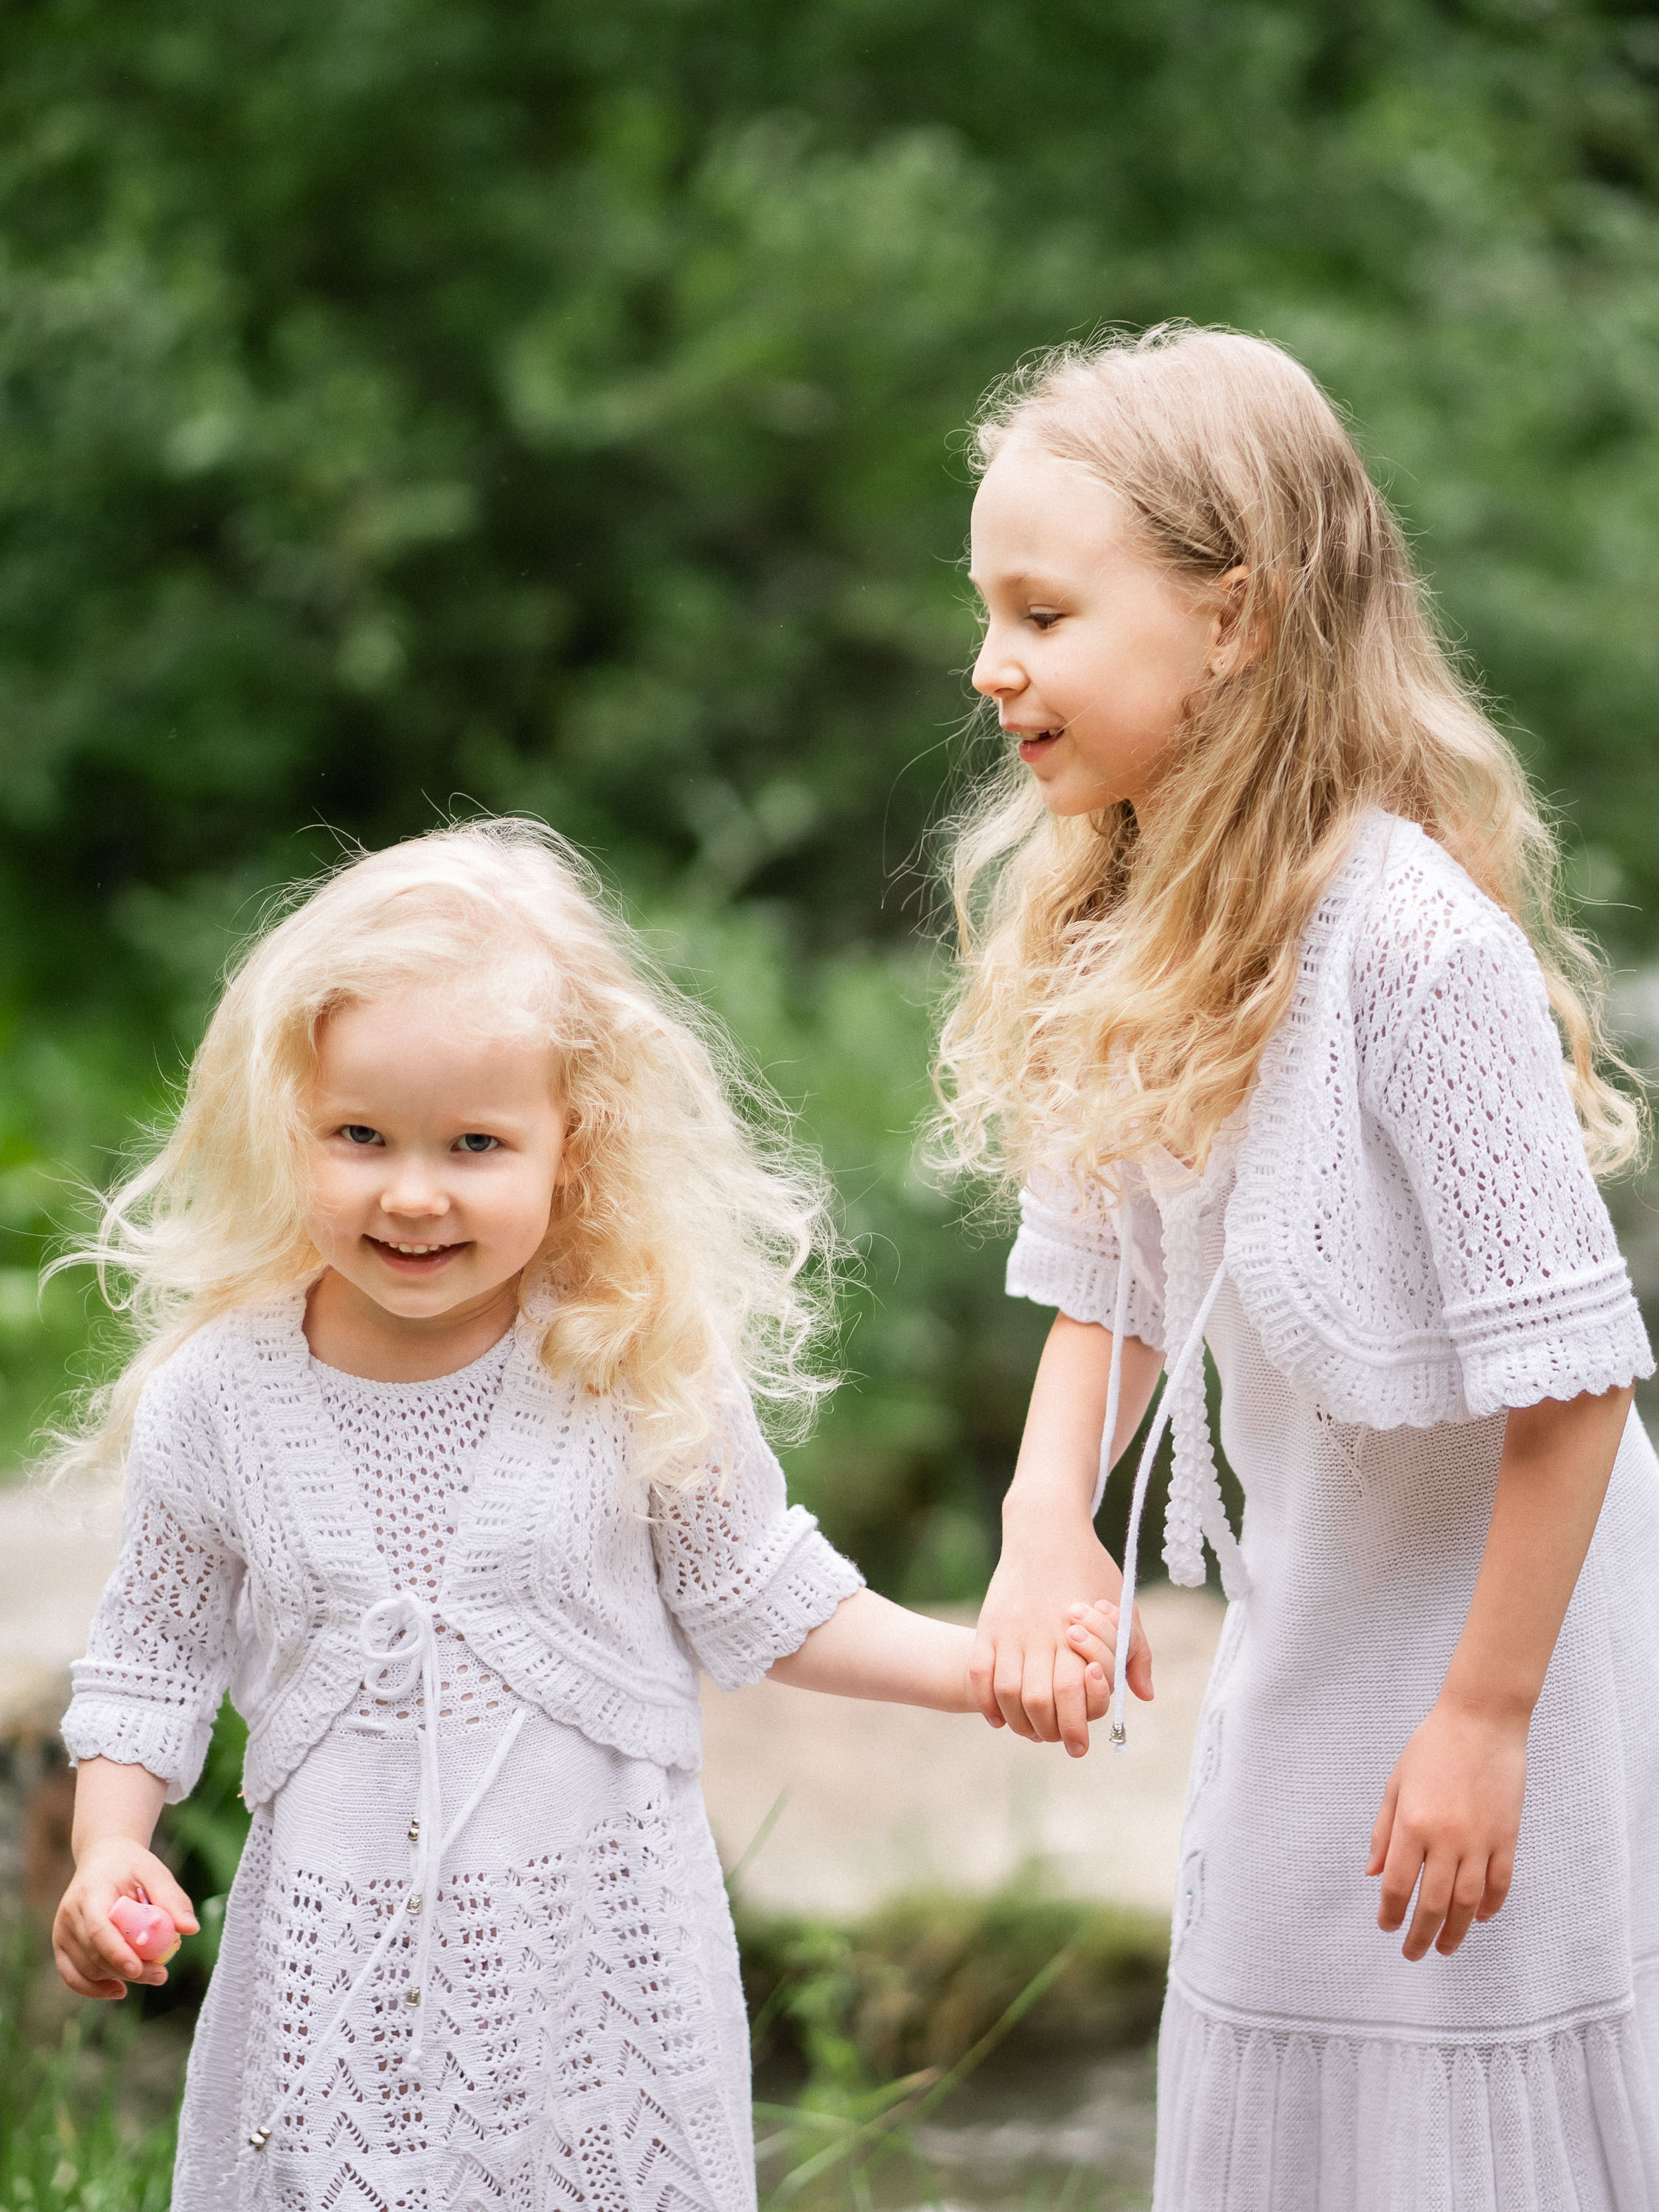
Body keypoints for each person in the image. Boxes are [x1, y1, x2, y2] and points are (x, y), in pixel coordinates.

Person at [51, 820, 1095, 2211]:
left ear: (572, 1146)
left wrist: (984, 1671)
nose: (412, 1191)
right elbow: (152, 1666)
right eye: (359, 1136)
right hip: (335, 1977)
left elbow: (764, 1595)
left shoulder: (623, 1358)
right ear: (287, 1124)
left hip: (597, 1976)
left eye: (475, 1144)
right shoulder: (221, 1398)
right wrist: (109, 1846)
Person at [935, 325, 1659, 2207]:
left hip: (1514, 1625)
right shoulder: (1124, 903)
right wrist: (1044, 1529)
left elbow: (1577, 1381)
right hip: (1321, 1601)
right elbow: (1102, 1262)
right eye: (987, 610)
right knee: (1267, 1968)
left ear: (1235, 617)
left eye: (1044, 610)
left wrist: (1485, 1722)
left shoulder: (1413, 951)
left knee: (1450, 2043)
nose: (993, 663)